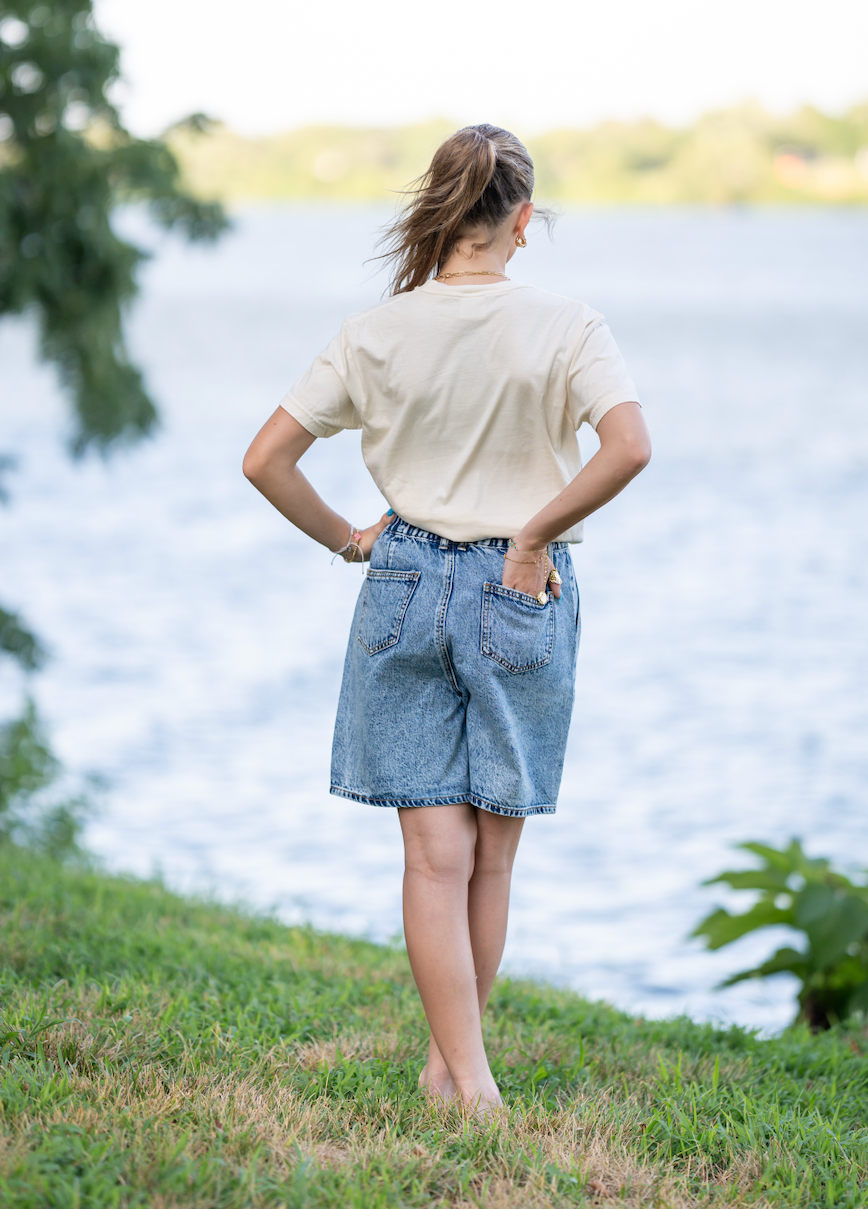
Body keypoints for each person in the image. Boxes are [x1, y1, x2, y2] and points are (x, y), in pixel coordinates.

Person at [243, 124, 651, 1115]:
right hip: (521, 586)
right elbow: (629, 447)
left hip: (403, 583)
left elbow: (265, 460)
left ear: (439, 208)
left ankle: (452, 1073)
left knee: (433, 859)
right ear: (522, 219)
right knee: (490, 858)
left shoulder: (374, 331)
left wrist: (352, 540)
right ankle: (470, 1082)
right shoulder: (569, 325)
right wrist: (533, 534)